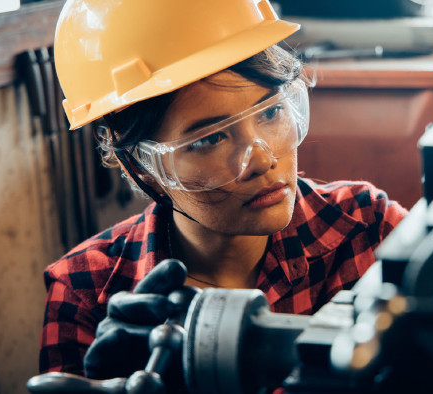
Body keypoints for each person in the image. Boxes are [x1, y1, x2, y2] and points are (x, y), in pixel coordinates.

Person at [39, 0, 408, 384]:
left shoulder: (367, 229)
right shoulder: (85, 292)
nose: (262, 160)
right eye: (211, 138)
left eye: (271, 112)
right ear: (142, 166)